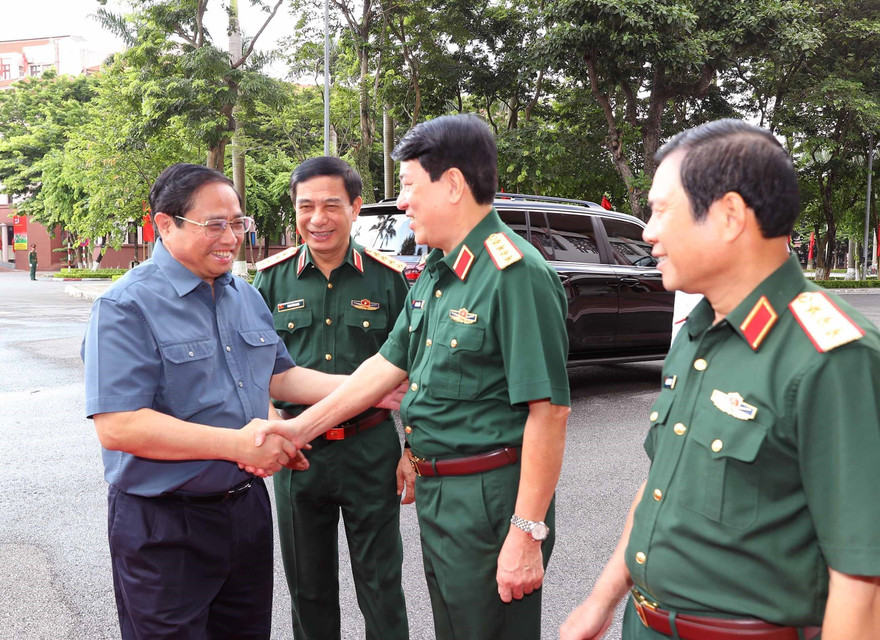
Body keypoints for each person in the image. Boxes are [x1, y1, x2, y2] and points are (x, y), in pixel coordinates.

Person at [560, 119, 880, 640]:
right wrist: (601, 598)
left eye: (660, 211)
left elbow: (862, 583)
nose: (647, 232)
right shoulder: (699, 331)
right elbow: (660, 486)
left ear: (727, 216)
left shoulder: (833, 355)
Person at [253, 114, 572, 640]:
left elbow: (550, 411)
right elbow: (383, 367)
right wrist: (296, 430)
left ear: (451, 184)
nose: (401, 204)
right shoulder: (439, 274)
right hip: (440, 493)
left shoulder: (515, 275)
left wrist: (526, 532)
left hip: (489, 501)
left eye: (407, 187)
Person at [81, 163, 388, 640]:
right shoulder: (126, 307)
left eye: (238, 223)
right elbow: (119, 425)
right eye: (214, 225)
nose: (231, 237)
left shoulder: (243, 295)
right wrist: (238, 446)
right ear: (166, 224)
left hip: (244, 512)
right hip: (165, 523)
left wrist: (369, 386)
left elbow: (281, 377)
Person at [252, 156, 412, 640]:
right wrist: (272, 430)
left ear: (355, 207)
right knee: (309, 588)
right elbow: (257, 373)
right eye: (306, 207)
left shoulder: (387, 279)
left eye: (330, 206)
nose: (317, 219)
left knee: (382, 586)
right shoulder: (270, 280)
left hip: (371, 453)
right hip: (301, 457)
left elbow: (413, 373)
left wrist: (413, 450)